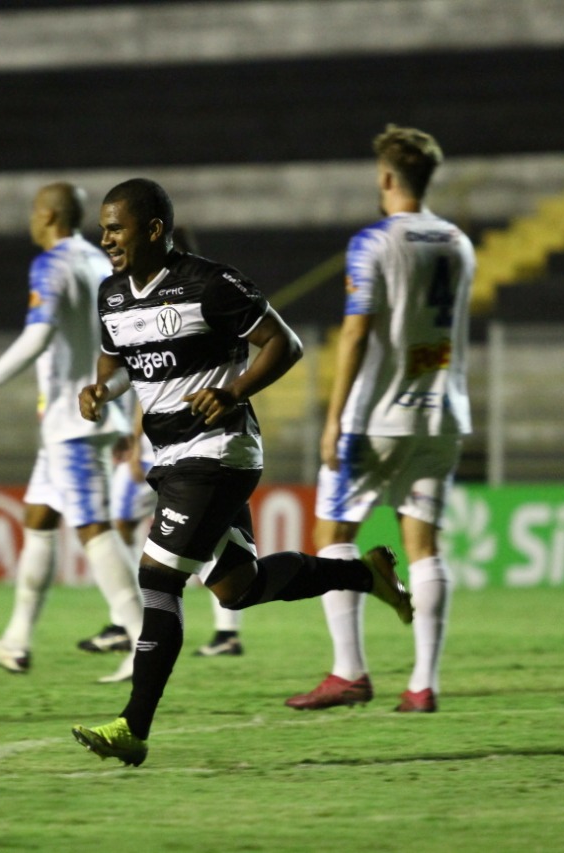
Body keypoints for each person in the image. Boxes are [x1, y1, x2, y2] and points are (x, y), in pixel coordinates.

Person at [70, 178, 410, 766]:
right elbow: (122, 361)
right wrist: (102, 389)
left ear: (154, 230)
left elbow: (285, 343)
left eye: (116, 228)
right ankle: (365, 575)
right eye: (103, 229)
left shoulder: (209, 283)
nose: (106, 239)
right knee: (237, 588)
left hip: (216, 452)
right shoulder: (111, 295)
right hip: (169, 457)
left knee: (158, 579)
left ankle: (133, 726)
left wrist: (233, 391)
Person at [284, 124, 474, 714]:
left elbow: (357, 333)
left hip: (377, 419)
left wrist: (335, 417)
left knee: (333, 537)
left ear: (387, 177)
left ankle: (349, 672)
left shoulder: (373, 243)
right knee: (424, 547)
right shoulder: (459, 242)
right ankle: (423, 684)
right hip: (441, 413)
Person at [0, 181, 144, 685]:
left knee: (93, 528)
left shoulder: (52, 264)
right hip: (88, 414)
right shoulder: (98, 262)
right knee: (38, 517)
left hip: (72, 423)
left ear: (50, 216)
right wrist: (122, 411)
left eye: (35, 212)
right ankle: (16, 641)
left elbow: (38, 336)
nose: (31, 220)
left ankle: (144, 640)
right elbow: (119, 338)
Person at [76, 225, 248, 660]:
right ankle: (154, 627)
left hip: (197, 448)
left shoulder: (201, 294)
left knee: (155, 559)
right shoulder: (124, 296)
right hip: (167, 447)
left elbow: (168, 381)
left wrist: (135, 440)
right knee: (221, 564)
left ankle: (132, 632)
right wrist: (111, 403)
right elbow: (140, 376)